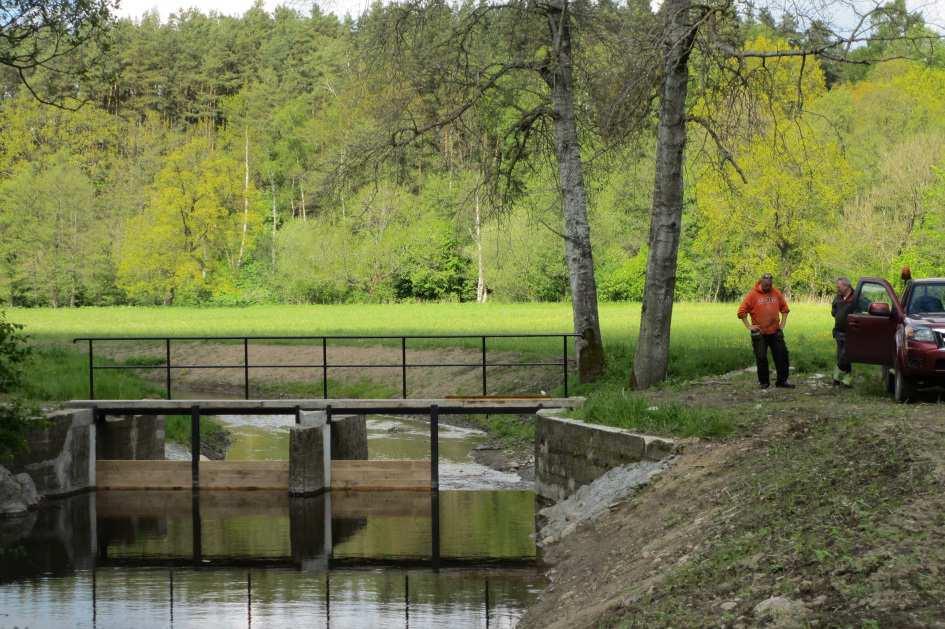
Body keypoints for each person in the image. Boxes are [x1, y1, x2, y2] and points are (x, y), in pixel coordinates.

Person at [737, 273, 795, 389]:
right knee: (761, 357)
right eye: (766, 285)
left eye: (770, 285)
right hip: (759, 333)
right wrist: (749, 326)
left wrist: (782, 323)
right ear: (761, 282)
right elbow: (741, 312)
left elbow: (785, 309)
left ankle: (782, 381)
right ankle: (764, 382)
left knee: (782, 356)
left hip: (775, 331)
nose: (768, 287)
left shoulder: (776, 292)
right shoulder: (752, 295)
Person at [831, 277, 856, 387]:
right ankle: (846, 380)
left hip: (851, 333)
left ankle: (836, 376)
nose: (837, 289)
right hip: (838, 331)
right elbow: (833, 310)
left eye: (839, 287)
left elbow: (868, 306)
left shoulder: (856, 296)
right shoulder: (837, 297)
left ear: (846, 286)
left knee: (845, 356)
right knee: (841, 355)